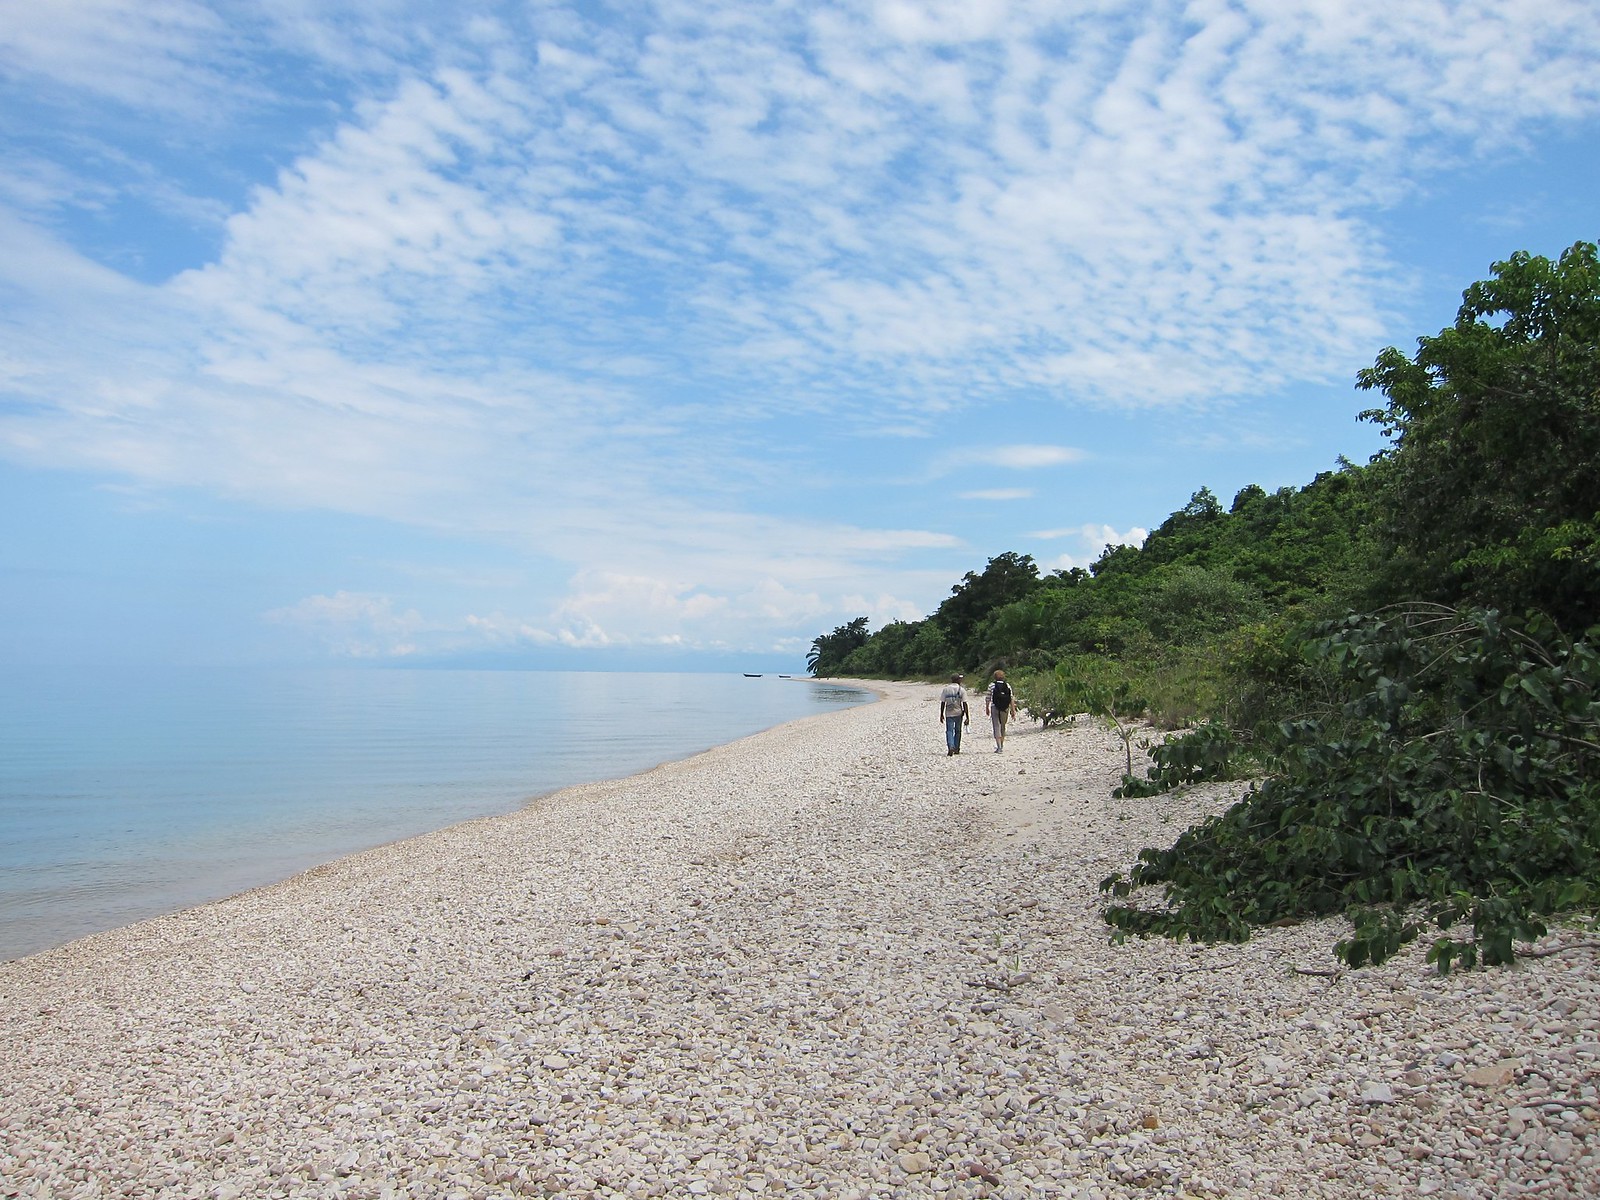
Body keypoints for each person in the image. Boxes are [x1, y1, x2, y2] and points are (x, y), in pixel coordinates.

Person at [985, 668, 1017, 752]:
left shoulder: (991, 685)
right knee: (1003, 726)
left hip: (994, 707)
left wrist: (987, 708)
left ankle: (998, 746)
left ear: (994, 677)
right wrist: (1013, 710)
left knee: (996, 726)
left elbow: (988, 698)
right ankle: (1002, 744)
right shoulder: (1007, 685)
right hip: (1005, 708)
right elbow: (1011, 698)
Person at [938, 673, 969, 755]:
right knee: (958, 731)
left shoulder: (946, 689)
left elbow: (943, 702)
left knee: (949, 731)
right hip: (958, 712)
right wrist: (967, 717)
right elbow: (965, 703)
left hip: (949, 713)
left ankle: (950, 746)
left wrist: (941, 714)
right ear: (958, 680)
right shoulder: (961, 690)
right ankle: (956, 747)